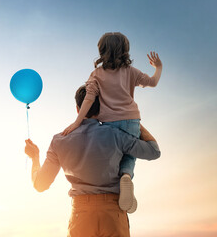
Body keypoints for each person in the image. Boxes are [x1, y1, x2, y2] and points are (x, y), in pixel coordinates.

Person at [24, 85, 161, 237]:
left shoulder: (59, 140)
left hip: (81, 214)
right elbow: (154, 151)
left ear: (77, 109)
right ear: (102, 108)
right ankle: (126, 175)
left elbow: (40, 184)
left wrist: (35, 157)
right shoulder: (116, 134)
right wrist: (133, 121)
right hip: (113, 211)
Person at [62, 32, 163, 212]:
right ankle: (126, 176)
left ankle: (120, 184)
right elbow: (152, 82)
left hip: (109, 125)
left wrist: (77, 122)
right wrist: (158, 68)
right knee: (130, 154)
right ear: (125, 50)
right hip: (132, 120)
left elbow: (89, 99)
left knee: (115, 156)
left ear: (101, 50)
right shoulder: (131, 72)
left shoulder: (96, 74)